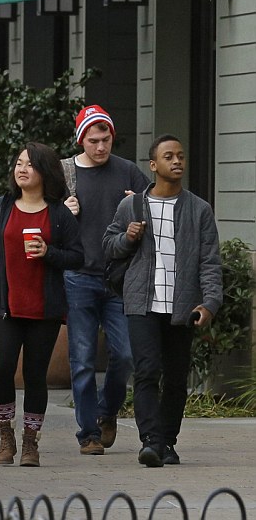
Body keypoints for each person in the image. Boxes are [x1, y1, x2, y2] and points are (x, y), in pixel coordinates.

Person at [103, 134, 223, 467]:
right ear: (153, 165)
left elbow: (210, 261)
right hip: (142, 302)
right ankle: (151, 442)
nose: (177, 162)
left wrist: (210, 302)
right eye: (169, 156)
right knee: (146, 371)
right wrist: (127, 238)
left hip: (182, 305)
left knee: (175, 376)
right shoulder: (132, 205)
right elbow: (108, 246)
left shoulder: (199, 209)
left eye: (181, 156)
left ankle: (168, 441)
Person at [0, 142, 83, 467]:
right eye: (18, 163)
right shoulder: (1, 207)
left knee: (36, 376)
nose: (21, 169)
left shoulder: (59, 213)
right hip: (6, 307)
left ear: (44, 172)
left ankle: (31, 443)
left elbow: (78, 256)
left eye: (29, 165)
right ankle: (5, 435)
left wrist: (49, 252)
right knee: (2, 370)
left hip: (44, 310)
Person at [61, 105, 148, 456]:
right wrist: (63, 213)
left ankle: (107, 410)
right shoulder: (66, 173)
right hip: (78, 276)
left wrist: (138, 207)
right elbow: (42, 215)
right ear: (82, 140)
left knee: (126, 354)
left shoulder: (128, 172)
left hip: (118, 278)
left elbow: (153, 210)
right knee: (81, 360)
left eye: (106, 139)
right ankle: (88, 433)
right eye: (93, 141)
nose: (101, 147)